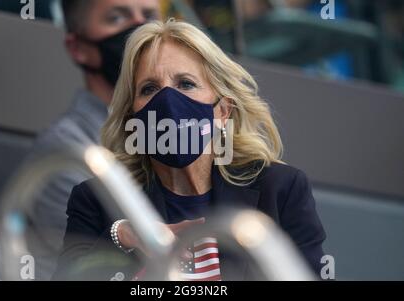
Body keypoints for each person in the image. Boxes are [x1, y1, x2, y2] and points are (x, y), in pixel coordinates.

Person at [55, 20, 326, 281]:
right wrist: (123, 235)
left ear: (222, 111)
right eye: (149, 88)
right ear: (132, 118)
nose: (168, 101)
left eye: (186, 84)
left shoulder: (280, 190)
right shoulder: (98, 199)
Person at [24, 0, 161, 280]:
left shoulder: (176, 133)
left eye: (149, 16)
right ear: (79, 48)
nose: (140, 31)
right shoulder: (67, 150)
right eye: (117, 18)